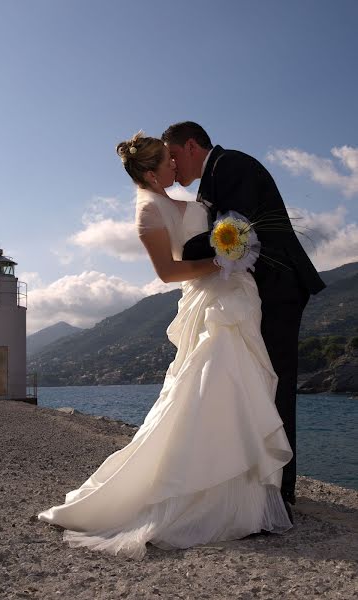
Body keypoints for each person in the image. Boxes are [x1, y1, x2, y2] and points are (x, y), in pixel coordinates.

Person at [38, 132, 294, 559]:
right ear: (155, 176)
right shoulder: (148, 212)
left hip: (235, 294)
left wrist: (232, 253)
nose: (178, 165)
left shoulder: (178, 195)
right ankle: (202, 494)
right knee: (212, 379)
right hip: (213, 297)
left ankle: (242, 493)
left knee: (239, 384)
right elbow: (167, 273)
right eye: (169, 163)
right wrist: (219, 261)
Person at [162, 121, 326, 516]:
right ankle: (260, 481)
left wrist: (183, 246)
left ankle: (281, 489)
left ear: (190, 146)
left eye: (172, 154)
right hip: (257, 291)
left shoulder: (232, 165)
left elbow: (234, 229)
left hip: (279, 287)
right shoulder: (216, 175)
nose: (171, 164)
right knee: (258, 378)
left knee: (277, 379)